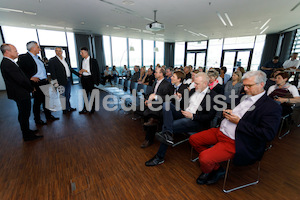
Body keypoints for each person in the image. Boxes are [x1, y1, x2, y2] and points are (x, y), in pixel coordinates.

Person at [189, 70, 282, 185]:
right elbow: (237, 112)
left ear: (261, 84)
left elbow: (267, 134)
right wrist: (229, 113)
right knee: (193, 139)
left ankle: (211, 168)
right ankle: (217, 167)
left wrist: (239, 122)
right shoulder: (242, 97)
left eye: (249, 86)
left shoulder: (271, 107)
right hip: (221, 131)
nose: (245, 89)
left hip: (237, 140)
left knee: (204, 157)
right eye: (245, 85)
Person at [145, 73, 218, 166]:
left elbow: (209, 117)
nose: (194, 85)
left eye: (197, 84)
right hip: (184, 114)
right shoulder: (193, 91)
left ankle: (159, 157)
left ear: (205, 84)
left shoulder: (213, 96)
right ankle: (167, 134)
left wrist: (192, 116)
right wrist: (179, 99)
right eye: (194, 83)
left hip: (196, 121)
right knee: (166, 104)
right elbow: (182, 105)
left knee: (168, 127)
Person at [0, 44, 43, 141]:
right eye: (15, 51)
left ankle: (27, 131)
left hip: (20, 92)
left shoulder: (9, 62)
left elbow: (21, 77)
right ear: (7, 52)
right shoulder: (7, 64)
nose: (17, 52)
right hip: (20, 93)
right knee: (24, 114)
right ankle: (27, 135)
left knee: (24, 114)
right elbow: (20, 80)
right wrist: (31, 88)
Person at [17, 41, 59, 125]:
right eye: (38, 47)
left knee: (47, 100)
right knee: (37, 102)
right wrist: (29, 78)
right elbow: (19, 70)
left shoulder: (38, 57)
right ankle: (37, 120)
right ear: (33, 48)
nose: (39, 49)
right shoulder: (24, 57)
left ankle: (48, 116)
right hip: (36, 83)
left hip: (44, 81)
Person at [48, 47, 80, 114]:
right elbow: (52, 73)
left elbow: (70, 69)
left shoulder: (66, 59)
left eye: (59, 51)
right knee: (62, 95)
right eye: (56, 51)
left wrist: (78, 74)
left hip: (68, 79)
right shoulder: (52, 60)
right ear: (55, 52)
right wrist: (55, 83)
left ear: (62, 52)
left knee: (68, 95)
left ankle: (69, 107)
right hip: (60, 81)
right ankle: (64, 109)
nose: (58, 52)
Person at [78, 47, 100, 114]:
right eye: (80, 52)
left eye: (82, 52)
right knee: (85, 95)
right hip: (84, 79)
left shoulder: (93, 61)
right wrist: (81, 73)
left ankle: (92, 109)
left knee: (92, 94)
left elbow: (96, 71)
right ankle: (85, 109)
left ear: (86, 52)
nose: (80, 54)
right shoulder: (82, 61)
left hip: (91, 79)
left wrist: (85, 70)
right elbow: (82, 70)